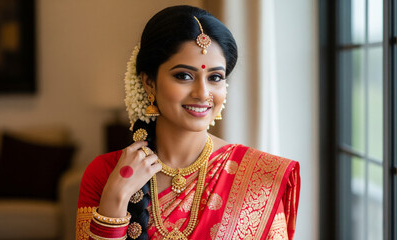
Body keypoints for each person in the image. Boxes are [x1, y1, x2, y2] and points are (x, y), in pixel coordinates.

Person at [76, 5, 300, 240]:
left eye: (215, 77)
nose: (203, 93)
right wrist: (116, 197)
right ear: (149, 82)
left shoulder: (259, 177)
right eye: (184, 76)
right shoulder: (106, 175)